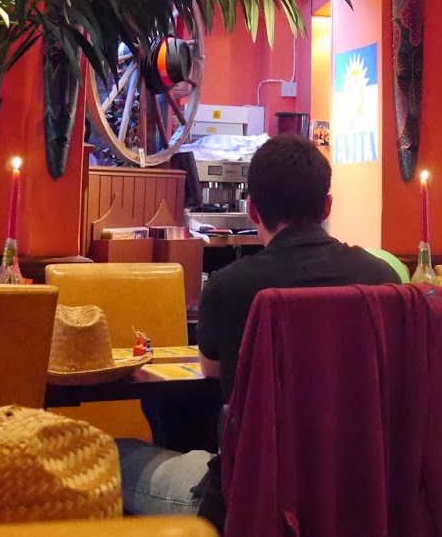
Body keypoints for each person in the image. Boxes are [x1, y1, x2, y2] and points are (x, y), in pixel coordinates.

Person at [116, 135, 398, 528]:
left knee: (115, 456)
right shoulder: (383, 280)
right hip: (358, 497)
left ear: (252, 209)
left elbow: (212, 371)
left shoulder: (229, 286)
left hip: (247, 501)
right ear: (327, 206)